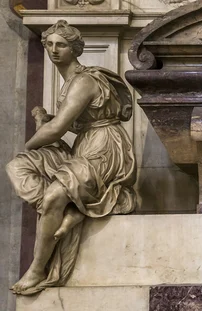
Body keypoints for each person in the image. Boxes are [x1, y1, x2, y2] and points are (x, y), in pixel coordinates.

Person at [6, 20, 136, 295]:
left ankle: (37, 268)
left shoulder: (84, 80)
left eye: (61, 45)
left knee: (53, 192)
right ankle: (72, 210)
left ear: (75, 49)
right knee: (17, 165)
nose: (54, 50)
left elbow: (57, 129)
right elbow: (67, 124)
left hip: (105, 149)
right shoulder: (69, 81)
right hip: (84, 145)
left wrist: (33, 141)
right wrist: (45, 122)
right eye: (49, 44)